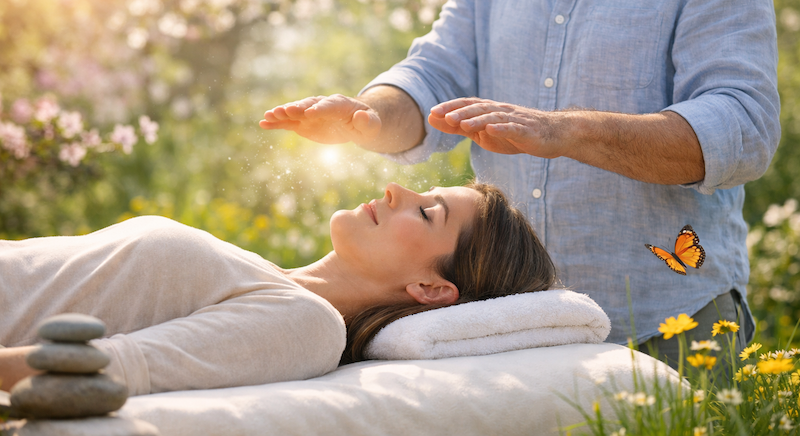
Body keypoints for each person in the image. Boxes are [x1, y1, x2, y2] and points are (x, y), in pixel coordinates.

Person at [259, 0, 780, 368]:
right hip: (509, 337)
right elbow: (433, 78)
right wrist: (368, 116)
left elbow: (743, 126)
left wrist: (565, 131)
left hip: (666, 325)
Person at [0, 182, 556, 395]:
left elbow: (96, 368)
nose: (394, 189)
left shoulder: (307, 326)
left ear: (431, 289)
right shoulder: (264, 275)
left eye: (427, 210)